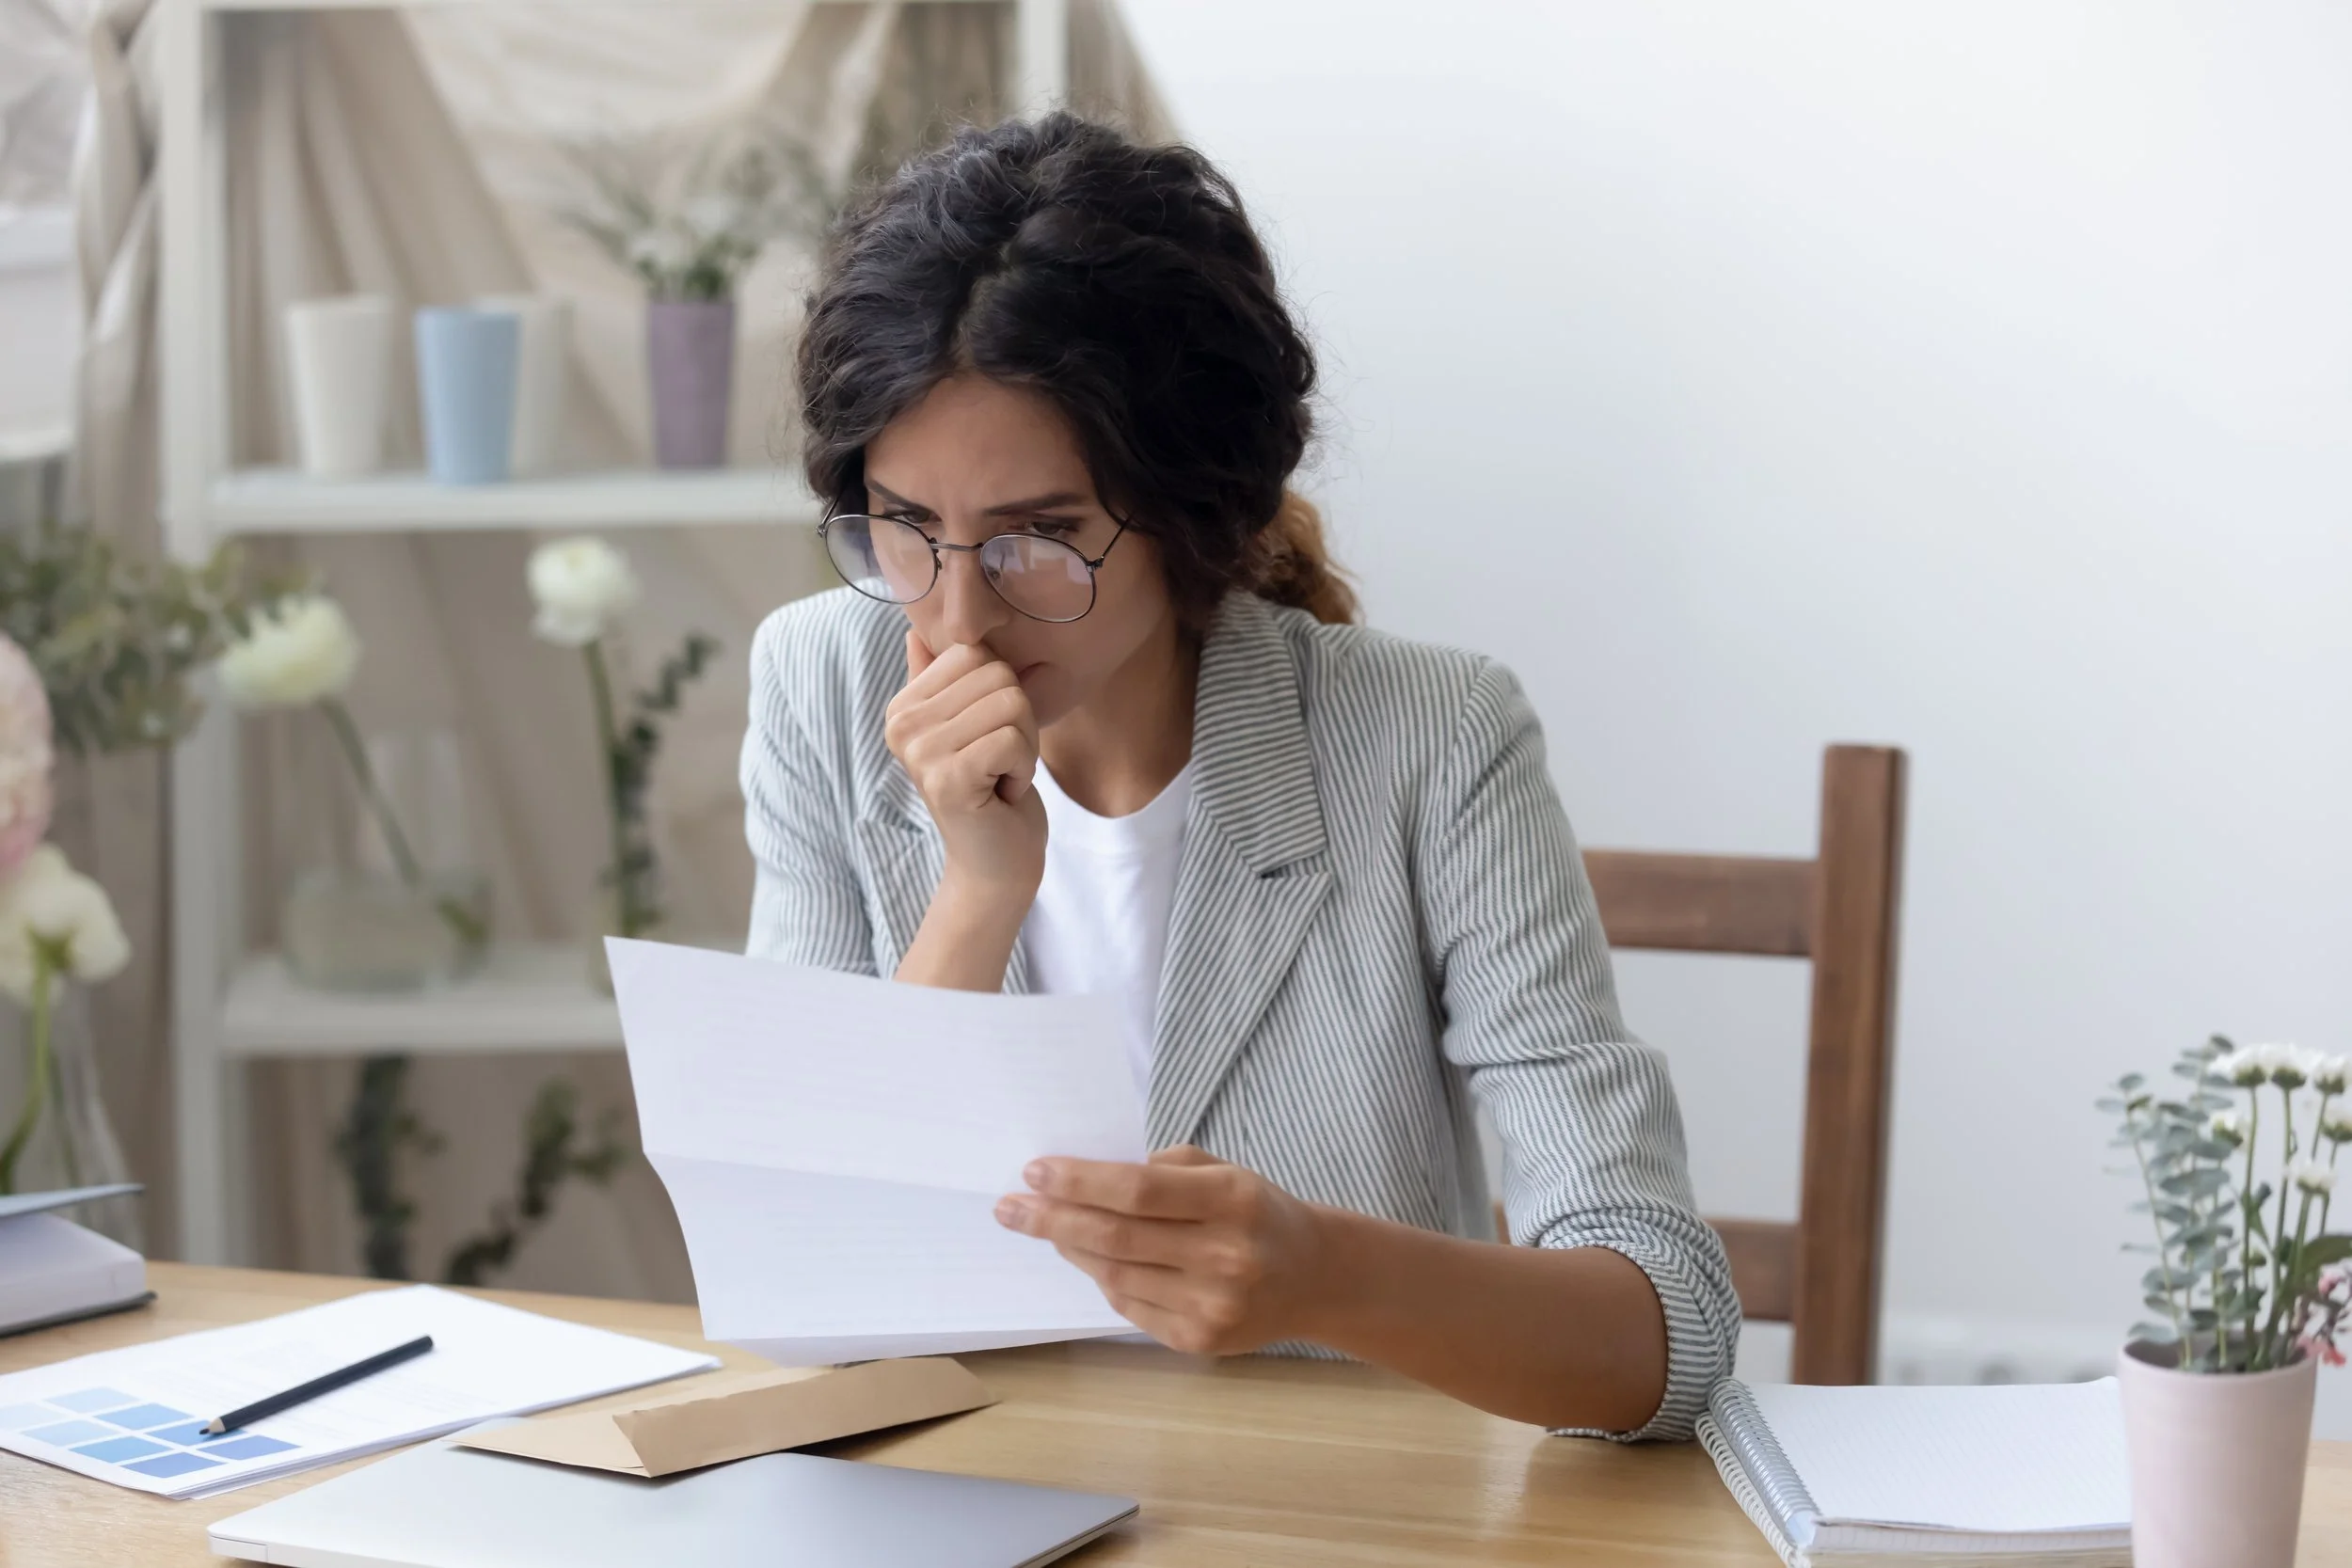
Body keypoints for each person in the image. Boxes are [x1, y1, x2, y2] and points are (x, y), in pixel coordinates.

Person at [742, 112, 1738, 1439]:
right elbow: (802, 1275)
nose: (961, 621)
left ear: (1190, 510)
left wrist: (1328, 1275)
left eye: (1042, 539)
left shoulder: (1433, 739)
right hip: (974, 1502)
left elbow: (1664, 1331)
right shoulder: (823, 682)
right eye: (909, 530)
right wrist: (974, 899)